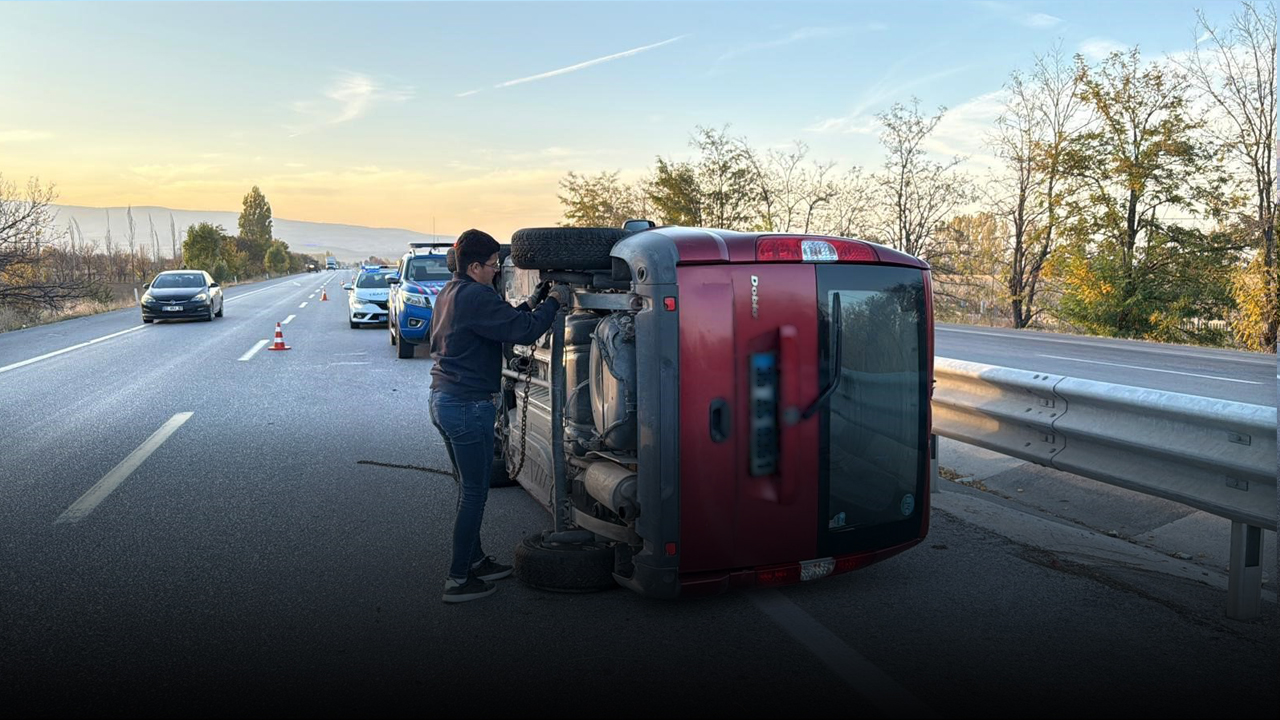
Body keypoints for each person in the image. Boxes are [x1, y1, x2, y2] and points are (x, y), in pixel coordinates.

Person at [428, 228, 570, 603]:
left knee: (466, 492)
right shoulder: (476, 296)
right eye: (492, 265)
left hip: (444, 400)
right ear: (474, 266)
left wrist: (538, 297)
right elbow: (524, 330)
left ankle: (475, 561)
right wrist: (555, 302)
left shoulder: (450, 293)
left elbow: (501, 322)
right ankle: (458, 580)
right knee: (474, 495)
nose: (496, 270)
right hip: (466, 407)